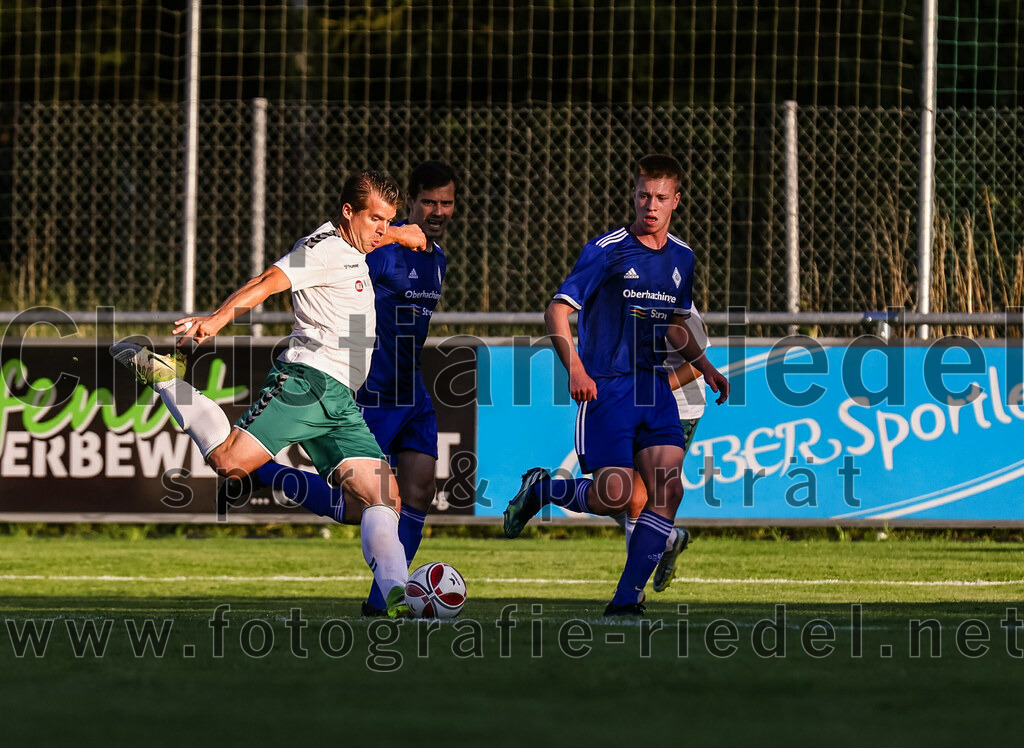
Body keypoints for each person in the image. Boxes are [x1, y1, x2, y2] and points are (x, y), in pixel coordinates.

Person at [109, 169, 420, 618]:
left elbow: (387, 234)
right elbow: (266, 283)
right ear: (348, 212)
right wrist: (215, 321)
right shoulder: (322, 251)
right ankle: (165, 377)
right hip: (307, 383)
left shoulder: (358, 240)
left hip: (339, 401)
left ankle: (394, 596)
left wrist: (403, 233)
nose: (380, 230)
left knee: (381, 499)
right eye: (375, 219)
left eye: (386, 220)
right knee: (228, 462)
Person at [502, 154, 729, 616]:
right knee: (616, 495)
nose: (650, 205)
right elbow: (556, 312)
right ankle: (543, 489)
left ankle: (626, 600)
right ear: (634, 195)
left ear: (675, 202)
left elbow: (673, 325)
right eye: (644, 195)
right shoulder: (607, 249)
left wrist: (704, 365)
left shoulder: (682, 257)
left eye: (661, 198)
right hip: (608, 387)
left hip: (654, 391)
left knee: (668, 491)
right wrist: (576, 370)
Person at [239, 161, 456, 616]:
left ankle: (386, 599)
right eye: (429, 202)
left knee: (418, 492)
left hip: (411, 391)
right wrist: (395, 232)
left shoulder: (438, 261)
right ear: (409, 206)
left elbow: (414, 257)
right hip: (371, 389)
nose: (437, 211)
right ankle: (267, 473)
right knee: (358, 504)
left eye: (447, 203)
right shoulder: (376, 249)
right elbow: (340, 257)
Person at [615, 304, 711, 592]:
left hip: (678, 410)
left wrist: (659, 387)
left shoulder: (679, 306)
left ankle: (631, 592)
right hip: (636, 406)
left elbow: (697, 363)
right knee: (613, 492)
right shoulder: (628, 297)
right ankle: (670, 540)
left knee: (638, 499)